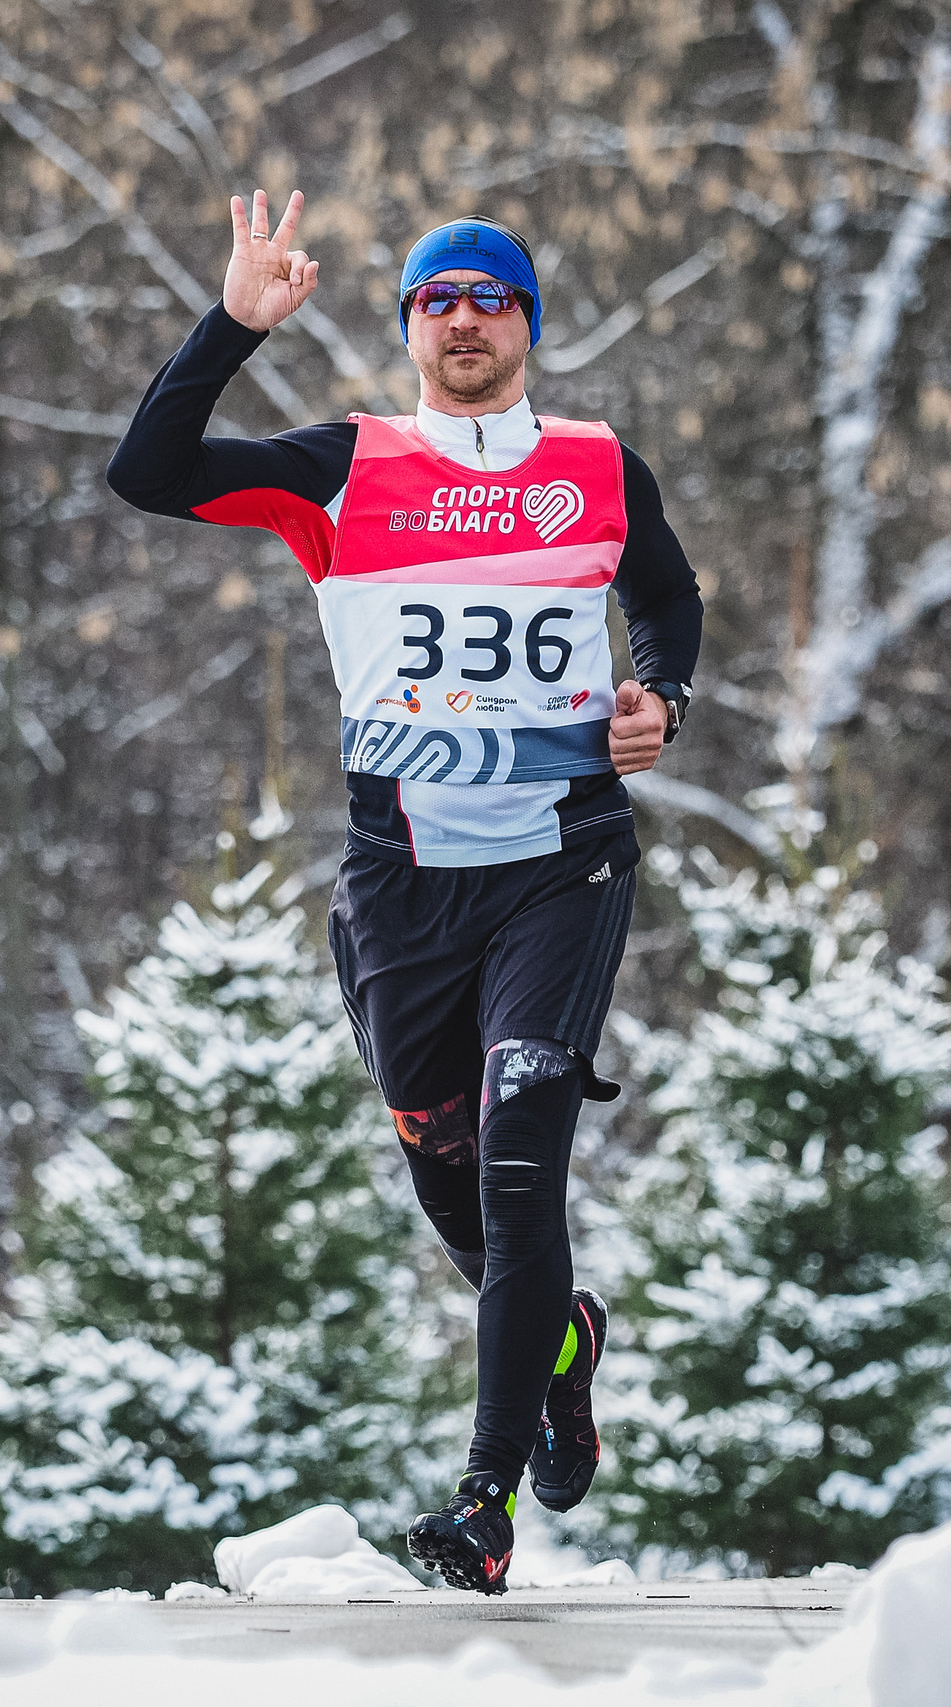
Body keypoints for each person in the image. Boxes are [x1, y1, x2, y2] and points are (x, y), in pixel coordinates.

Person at [107, 190, 703, 1594]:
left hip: (563, 859)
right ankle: (564, 1346)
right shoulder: (344, 467)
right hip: (402, 882)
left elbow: (669, 604)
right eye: (438, 299)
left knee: (520, 1158)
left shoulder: (599, 465)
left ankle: (483, 1507)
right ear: (410, 330)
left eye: (492, 297)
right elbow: (149, 470)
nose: (465, 319)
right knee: (454, 1190)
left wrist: (658, 699)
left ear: (529, 325)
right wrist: (234, 326)